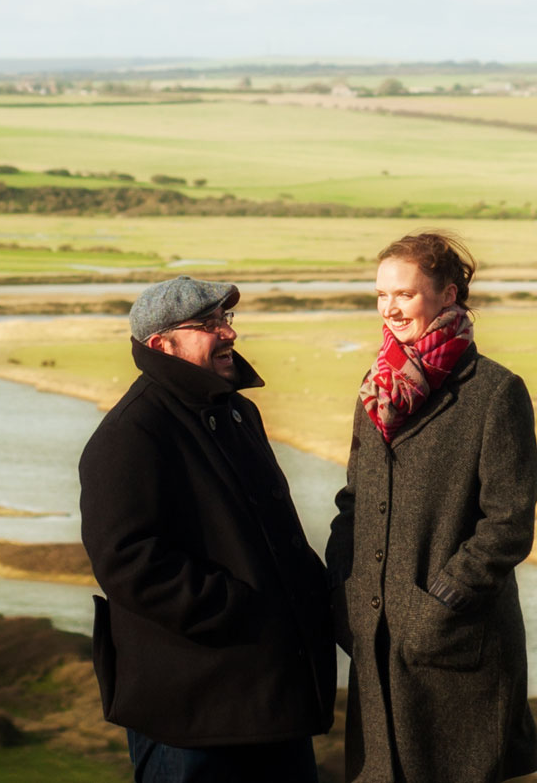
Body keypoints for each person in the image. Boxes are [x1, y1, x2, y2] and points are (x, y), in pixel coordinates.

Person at [79, 275, 335, 783]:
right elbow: (127, 562)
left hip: (268, 701)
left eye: (226, 320)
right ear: (161, 344)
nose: (229, 334)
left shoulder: (238, 413)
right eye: (208, 324)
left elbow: (277, 537)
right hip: (192, 713)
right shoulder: (131, 434)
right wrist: (244, 608)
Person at [326, 233, 537, 783]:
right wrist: (343, 584)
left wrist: (442, 601)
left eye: (404, 294)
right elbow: (355, 497)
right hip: (377, 646)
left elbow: (508, 523)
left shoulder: (494, 391)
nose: (390, 309)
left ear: (448, 296)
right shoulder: (375, 388)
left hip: (455, 645)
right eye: (380, 295)